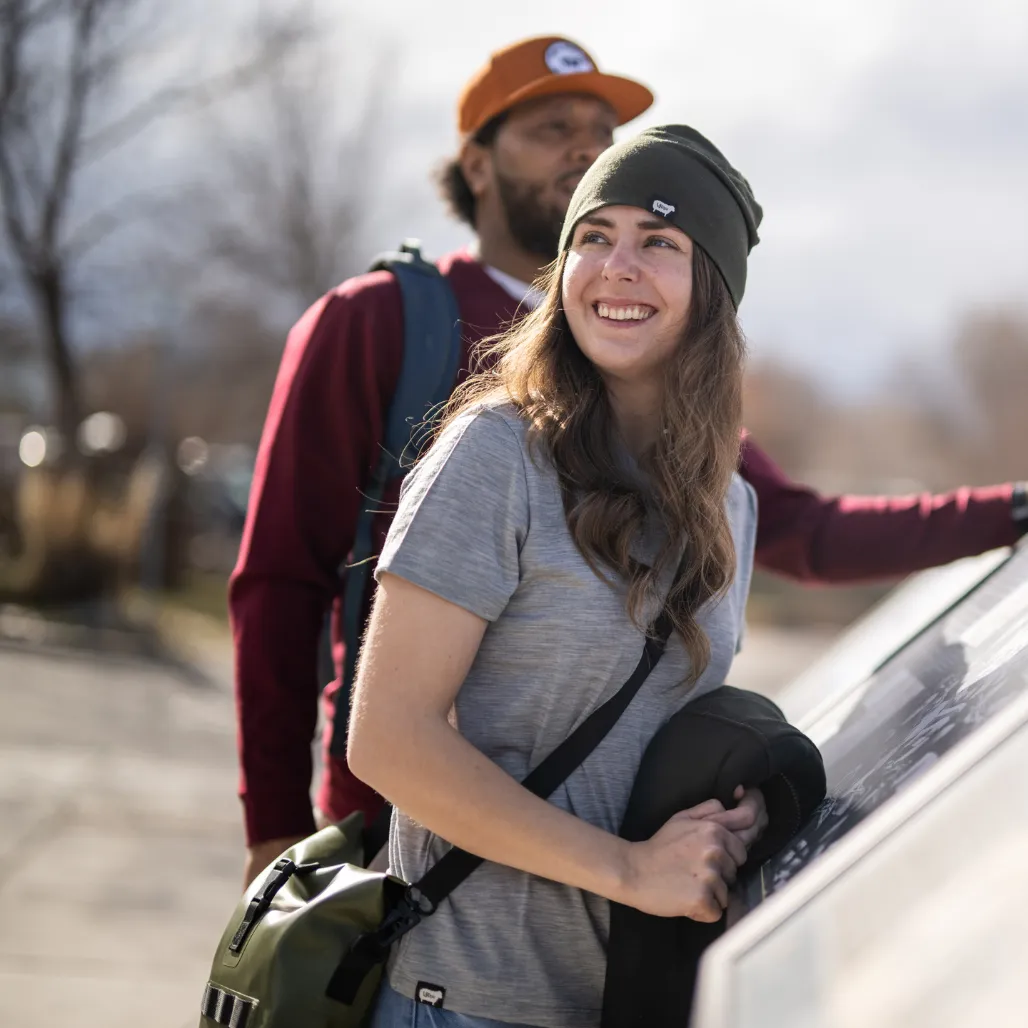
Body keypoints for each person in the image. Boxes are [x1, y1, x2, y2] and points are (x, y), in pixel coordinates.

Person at [231, 35, 1026, 886]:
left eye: (600, 129)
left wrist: (1011, 509)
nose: (583, 145)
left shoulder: (651, 364)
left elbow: (803, 532)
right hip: (395, 849)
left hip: (601, 883)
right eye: (549, 126)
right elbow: (282, 582)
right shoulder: (380, 320)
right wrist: (275, 828)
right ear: (476, 163)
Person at [349, 122, 767, 1028]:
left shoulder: (730, 505)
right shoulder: (498, 456)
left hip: (624, 998)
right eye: (593, 237)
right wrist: (629, 870)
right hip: (465, 1003)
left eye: (659, 241)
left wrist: (737, 819)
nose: (617, 266)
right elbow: (387, 740)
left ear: (715, 287)